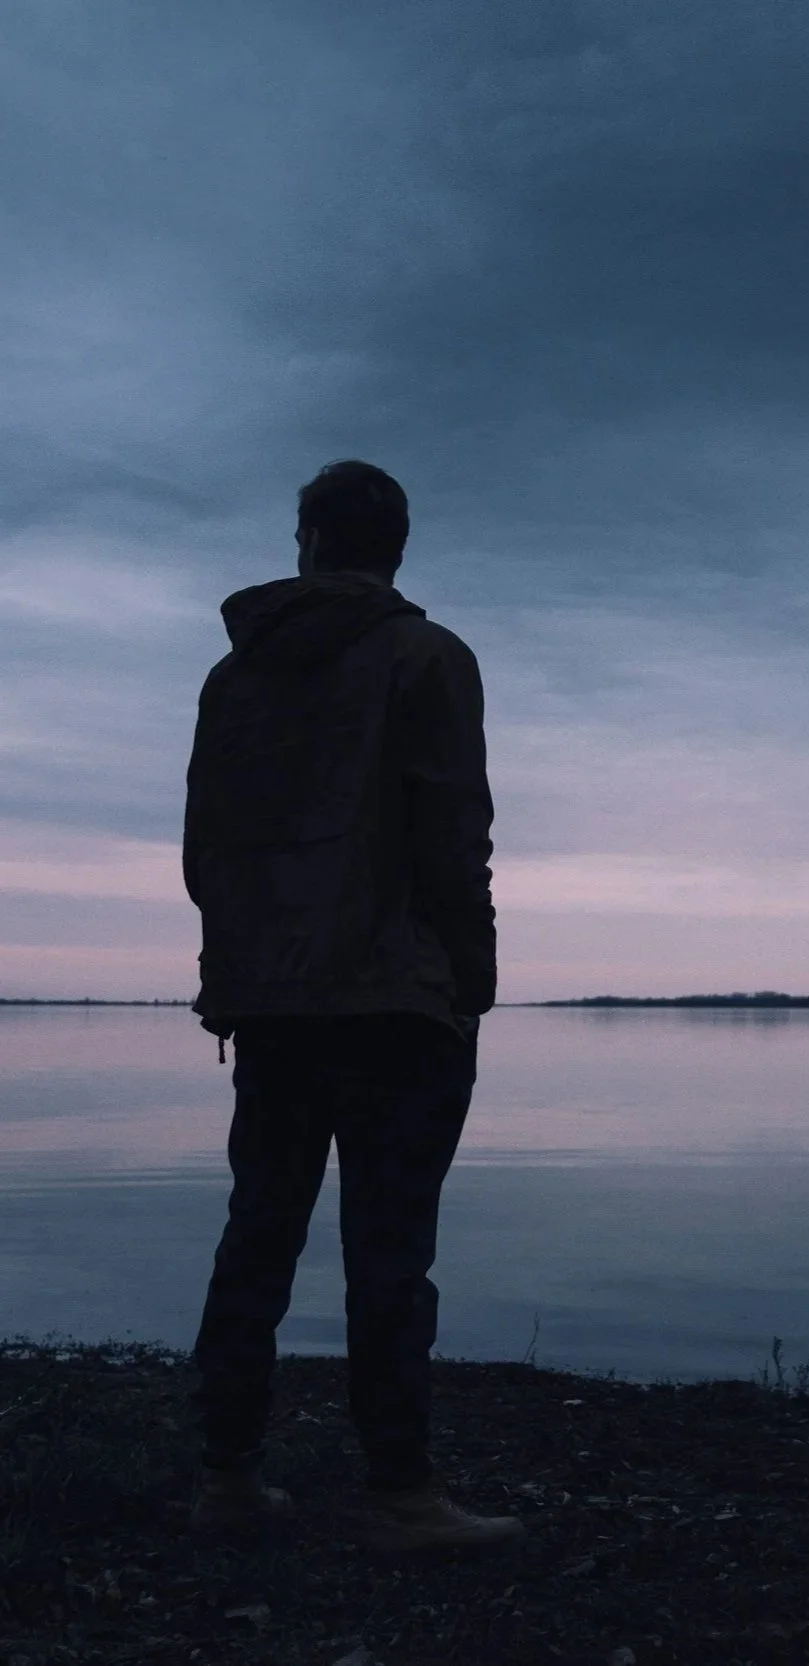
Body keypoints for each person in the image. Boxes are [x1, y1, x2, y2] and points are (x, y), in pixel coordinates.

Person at [181, 459, 524, 1554]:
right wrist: (472, 980)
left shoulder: (233, 682)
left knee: (257, 1238)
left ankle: (226, 1477)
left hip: (275, 1003)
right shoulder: (428, 657)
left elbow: (208, 853)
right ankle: (401, 1493)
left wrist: (237, 974)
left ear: (312, 543)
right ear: (395, 548)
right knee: (389, 1252)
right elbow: (451, 836)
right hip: (394, 1003)